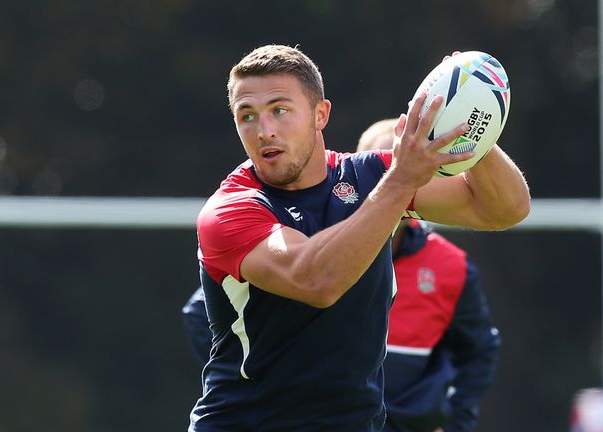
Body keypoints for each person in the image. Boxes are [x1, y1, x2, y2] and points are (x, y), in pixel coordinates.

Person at [190, 44, 529, 431]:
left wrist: (463, 120)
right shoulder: (231, 209)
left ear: (321, 115)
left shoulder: (371, 176)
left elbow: (503, 209)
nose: (264, 130)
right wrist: (401, 180)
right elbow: (316, 280)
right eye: (246, 115)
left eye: (280, 110)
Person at [357, 119, 501, 432]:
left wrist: (454, 422)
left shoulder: (452, 266)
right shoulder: (319, 247)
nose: (392, 182)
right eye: (379, 170)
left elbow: (478, 353)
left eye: (401, 171)